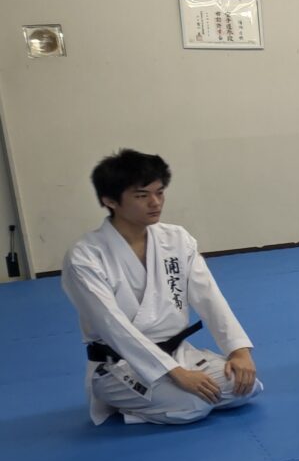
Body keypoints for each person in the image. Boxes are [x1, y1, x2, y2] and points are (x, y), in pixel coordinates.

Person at [62, 150, 262, 425]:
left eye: (160, 192)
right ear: (110, 201)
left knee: (246, 386)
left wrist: (238, 351)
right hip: (120, 364)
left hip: (178, 353)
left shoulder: (176, 239)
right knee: (192, 405)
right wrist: (176, 373)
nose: (155, 202)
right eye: (141, 195)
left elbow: (209, 297)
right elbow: (112, 325)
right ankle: (131, 403)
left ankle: (166, 397)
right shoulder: (86, 257)